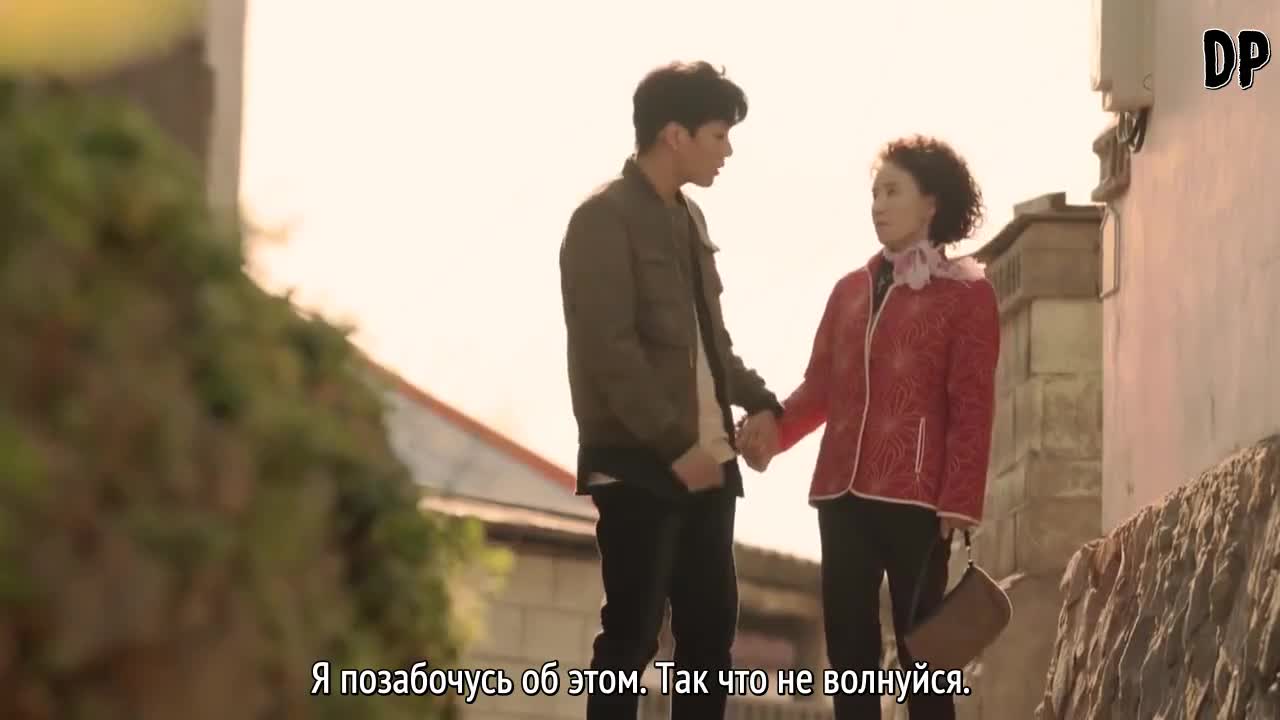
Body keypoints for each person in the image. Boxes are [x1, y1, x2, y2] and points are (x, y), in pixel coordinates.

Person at [738, 135, 999, 719]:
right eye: (875, 193)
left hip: (918, 500)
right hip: (841, 496)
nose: (878, 205)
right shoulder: (848, 291)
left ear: (931, 202)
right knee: (849, 654)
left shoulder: (967, 294)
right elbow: (819, 389)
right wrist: (772, 434)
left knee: (923, 657)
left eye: (892, 192)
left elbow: (972, 403)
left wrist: (961, 498)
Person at [557, 60, 784, 720]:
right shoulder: (602, 219)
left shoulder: (691, 220)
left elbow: (714, 346)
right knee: (630, 636)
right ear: (674, 135)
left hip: (709, 466)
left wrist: (763, 402)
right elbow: (609, 355)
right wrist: (673, 445)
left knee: (709, 642)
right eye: (719, 135)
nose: (728, 150)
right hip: (638, 466)